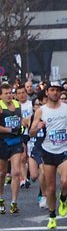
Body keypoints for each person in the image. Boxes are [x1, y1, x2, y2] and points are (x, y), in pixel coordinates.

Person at [29, 81, 67, 229]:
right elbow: (31, 132)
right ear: (47, 92)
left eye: (57, 90)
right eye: (52, 90)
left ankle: (63, 198)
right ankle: (52, 216)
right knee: (51, 188)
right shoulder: (41, 111)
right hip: (47, 150)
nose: (55, 93)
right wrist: (38, 126)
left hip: (64, 149)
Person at [0, 84, 25, 215]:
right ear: (1, 95)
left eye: (10, 92)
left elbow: (19, 120)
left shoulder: (17, 104)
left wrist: (21, 127)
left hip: (15, 141)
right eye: (6, 93)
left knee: (15, 172)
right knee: (2, 173)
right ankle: (1, 198)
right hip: (2, 142)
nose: (9, 95)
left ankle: (14, 202)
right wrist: (10, 129)